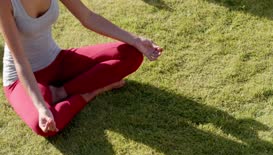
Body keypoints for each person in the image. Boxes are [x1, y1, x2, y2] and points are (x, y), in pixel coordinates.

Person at [0, 0, 163, 137]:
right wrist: (42, 107)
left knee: (131, 54)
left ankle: (61, 92)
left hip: (58, 60)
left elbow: (88, 17)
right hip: (22, 77)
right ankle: (91, 92)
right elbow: (20, 60)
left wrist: (135, 40)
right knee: (45, 124)